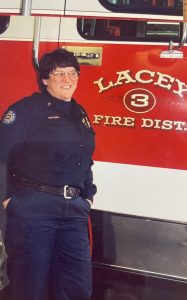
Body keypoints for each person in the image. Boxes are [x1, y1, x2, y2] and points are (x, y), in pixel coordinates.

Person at [0, 48, 97, 300]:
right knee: (29, 287)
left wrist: (88, 195)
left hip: (73, 211)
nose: (68, 80)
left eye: (72, 73)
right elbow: (1, 156)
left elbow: (84, 160)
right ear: (45, 79)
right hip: (34, 210)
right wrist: (7, 200)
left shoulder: (79, 113)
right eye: (60, 74)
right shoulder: (25, 111)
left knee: (77, 286)